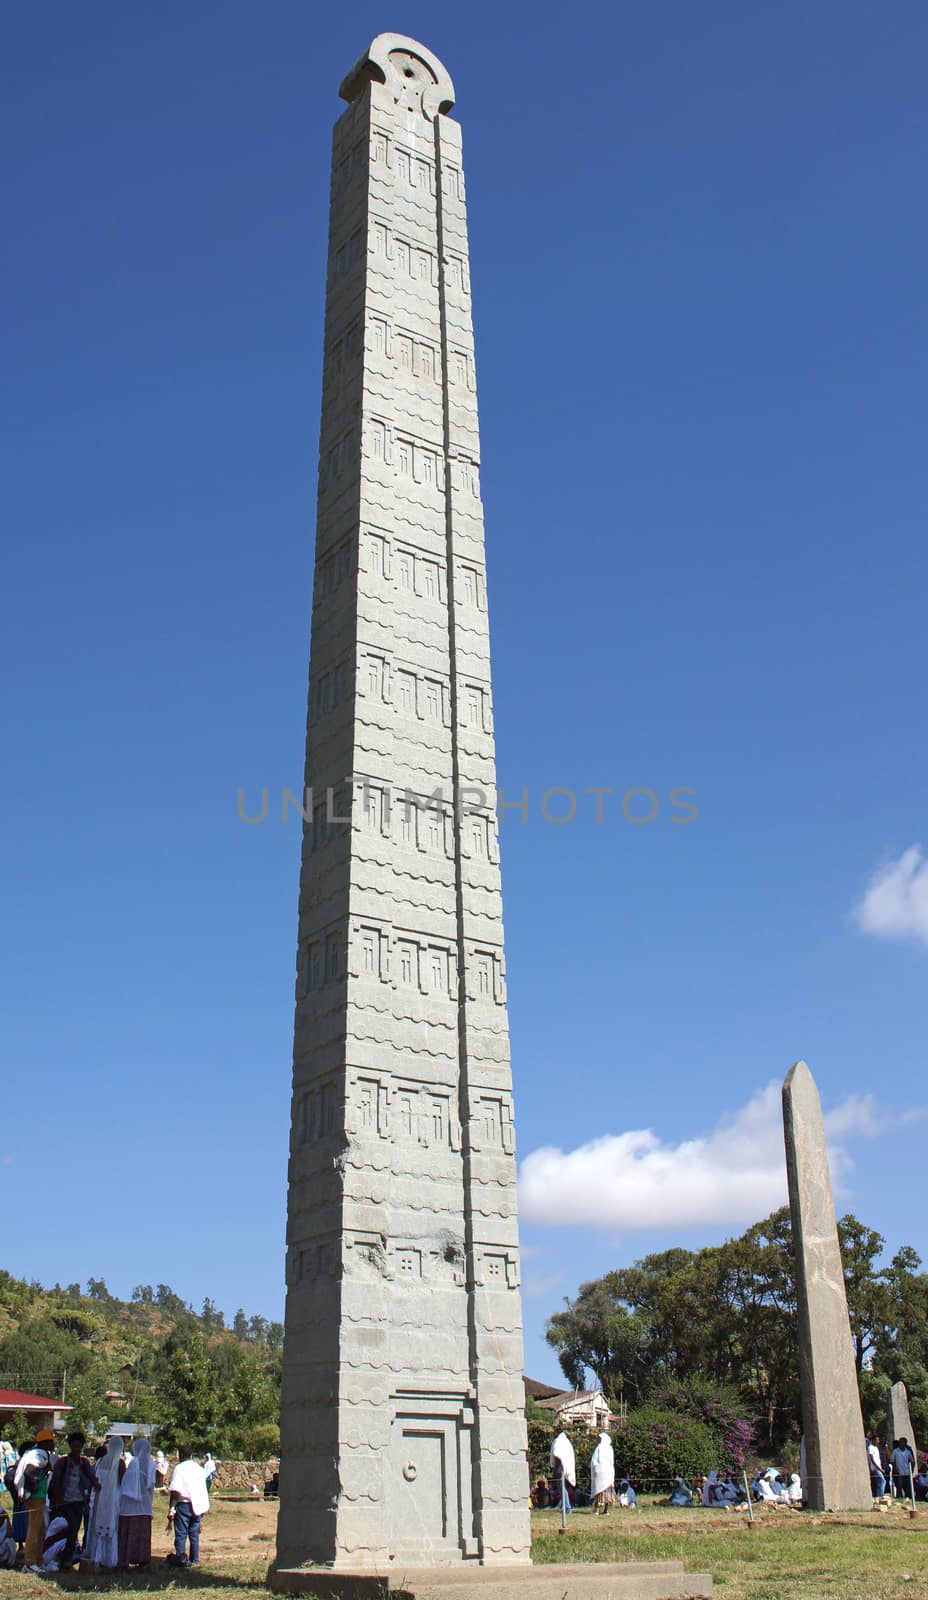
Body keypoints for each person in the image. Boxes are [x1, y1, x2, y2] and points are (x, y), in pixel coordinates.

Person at [49, 1431, 100, 1568]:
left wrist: (98, 1486)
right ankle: (63, 1557)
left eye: (79, 1446)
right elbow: (55, 1482)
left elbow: (92, 1478)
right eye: (74, 1446)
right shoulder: (63, 1463)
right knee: (67, 1530)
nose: (76, 1449)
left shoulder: (84, 1463)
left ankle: (69, 1557)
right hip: (65, 1502)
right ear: (70, 1446)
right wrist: (56, 1499)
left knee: (74, 1529)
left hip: (79, 1502)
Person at [13, 1429, 55, 1569]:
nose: (53, 1443)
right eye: (51, 1441)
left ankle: (39, 1560)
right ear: (46, 1442)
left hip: (38, 1496)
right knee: (34, 1530)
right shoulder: (39, 1454)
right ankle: (30, 1563)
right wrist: (35, 1486)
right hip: (36, 1497)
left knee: (41, 1529)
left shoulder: (33, 1452)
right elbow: (30, 1471)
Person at [168, 1445, 210, 1565]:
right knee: (194, 1534)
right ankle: (194, 1559)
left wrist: (171, 1508)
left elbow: (175, 1490)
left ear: (180, 1455)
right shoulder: (199, 1469)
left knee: (181, 1534)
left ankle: (181, 1559)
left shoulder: (179, 1468)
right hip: (198, 1505)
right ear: (191, 1455)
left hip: (183, 1505)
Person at [87, 1435, 124, 1568]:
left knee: (98, 1524)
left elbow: (94, 1477)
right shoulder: (119, 1463)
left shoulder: (101, 1461)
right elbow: (122, 1481)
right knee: (112, 1526)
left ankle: (98, 1556)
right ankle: (110, 1559)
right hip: (114, 1497)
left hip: (100, 1497)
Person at [118, 1438, 156, 1568]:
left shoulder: (135, 1463)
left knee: (130, 1531)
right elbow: (151, 1485)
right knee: (143, 1532)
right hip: (145, 1503)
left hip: (131, 1505)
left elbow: (128, 1485)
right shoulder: (151, 1464)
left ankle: (127, 1558)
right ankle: (142, 1559)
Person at [549, 1432, 576, 1516]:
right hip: (568, 1468)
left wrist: (554, 1468)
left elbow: (557, 1456)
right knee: (565, 1488)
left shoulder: (558, 1442)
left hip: (561, 1467)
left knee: (562, 1489)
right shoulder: (568, 1443)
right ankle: (567, 1506)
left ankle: (567, 1507)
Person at [589, 1431, 615, 1515]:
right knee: (607, 1491)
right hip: (608, 1472)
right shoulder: (610, 1449)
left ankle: (596, 1510)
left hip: (600, 1472)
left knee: (599, 1491)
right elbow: (612, 1462)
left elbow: (594, 1460)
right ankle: (606, 1510)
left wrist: (595, 1468)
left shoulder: (599, 1448)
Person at [891, 1437, 915, 1501]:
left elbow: (911, 1461)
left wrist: (911, 1469)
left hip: (907, 1472)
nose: (901, 1443)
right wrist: (895, 1469)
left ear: (905, 1443)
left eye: (903, 1442)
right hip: (899, 1472)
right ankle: (899, 1498)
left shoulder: (908, 1452)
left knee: (907, 1487)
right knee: (899, 1486)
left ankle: (909, 1498)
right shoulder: (895, 1451)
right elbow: (892, 1461)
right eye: (900, 1442)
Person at [0, 1504, 17, 1570]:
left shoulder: (5, 1524)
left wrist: (8, 1518)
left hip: (2, 1550)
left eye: (2, 1518)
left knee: (11, 1541)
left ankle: (10, 1563)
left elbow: (10, 1535)